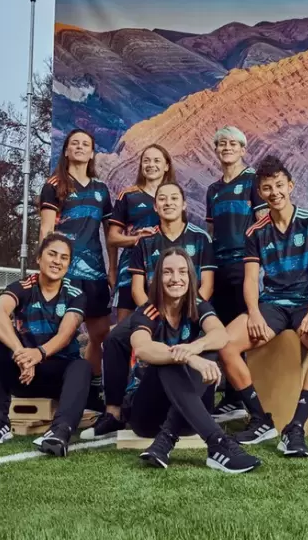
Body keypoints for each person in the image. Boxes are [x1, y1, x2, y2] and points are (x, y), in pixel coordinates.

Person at [218, 155, 308, 457]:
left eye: (279, 185)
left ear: (291, 185)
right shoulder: (255, 231)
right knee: (226, 344)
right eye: (267, 188)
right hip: (272, 305)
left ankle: (294, 428)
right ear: (260, 192)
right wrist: (255, 312)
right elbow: (250, 280)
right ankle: (261, 419)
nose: (274, 192)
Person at [82, 181, 216, 440]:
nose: (168, 203)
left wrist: (188, 308)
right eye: (162, 199)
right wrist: (155, 314)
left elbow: (207, 285)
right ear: (155, 206)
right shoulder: (145, 240)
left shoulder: (201, 237)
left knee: (208, 344)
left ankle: (199, 409)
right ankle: (114, 413)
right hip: (153, 309)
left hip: (191, 308)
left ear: (184, 204)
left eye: (174, 198)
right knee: (114, 340)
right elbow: (137, 289)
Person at [124, 247, 262, 473]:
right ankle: (218, 443)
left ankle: (166, 439)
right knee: (167, 361)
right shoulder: (147, 311)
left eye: (182, 272)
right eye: (168, 272)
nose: (175, 279)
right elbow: (141, 348)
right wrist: (188, 358)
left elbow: (220, 334)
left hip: (192, 418)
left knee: (209, 350)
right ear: (158, 278)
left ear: (191, 276)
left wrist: (194, 348)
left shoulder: (197, 305)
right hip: (147, 416)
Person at [0, 233, 92, 457]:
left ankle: (60, 431)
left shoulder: (75, 295)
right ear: (39, 258)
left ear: (68, 265)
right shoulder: (23, 287)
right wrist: (22, 354)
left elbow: (66, 334)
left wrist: (39, 354)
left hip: (57, 377)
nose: (57, 261)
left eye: (64, 258)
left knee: (82, 367)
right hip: (23, 374)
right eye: (52, 254)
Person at [39, 128, 115, 411]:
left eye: (85, 144)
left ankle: (93, 393)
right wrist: (47, 269)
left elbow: (110, 235)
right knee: (63, 333)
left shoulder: (101, 190)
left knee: (100, 334)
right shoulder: (55, 184)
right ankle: (59, 390)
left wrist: (112, 270)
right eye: (75, 144)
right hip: (65, 272)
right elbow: (47, 229)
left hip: (94, 273)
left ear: (92, 152)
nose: (80, 147)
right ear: (67, 151)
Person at [204, 126, 267, 421]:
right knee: (223, 330)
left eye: (233, 143)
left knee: (244, 331)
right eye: (221, 144)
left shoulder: (253, 181)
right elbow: (211, 230)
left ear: (243, 149)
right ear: (216, 150)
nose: (227, 147)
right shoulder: (213, 190)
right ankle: (231, 397)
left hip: (246, 266)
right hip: (219, 268)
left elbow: (262, 222)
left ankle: (250, 395)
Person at [107, 144, 175, 321]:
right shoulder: (128, 196)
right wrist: (136, 239)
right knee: (125, 325)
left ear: (166, 166)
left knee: (162, 322)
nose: (151, 165)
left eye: (156, 160)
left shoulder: (173, 197)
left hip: (164, 267)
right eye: (146, 161)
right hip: (130, 267)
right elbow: (112, 237)